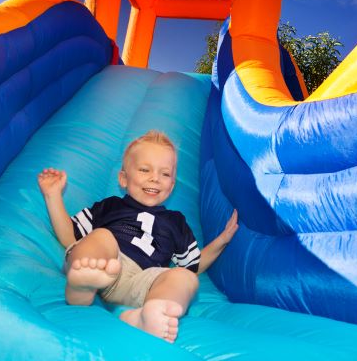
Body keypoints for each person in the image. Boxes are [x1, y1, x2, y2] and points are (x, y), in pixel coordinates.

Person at [38, 130, 238, 343]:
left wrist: (222, 241)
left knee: (184, 277)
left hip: (142, 281)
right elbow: (70, 236)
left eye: (165, 174)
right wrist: (53, 195)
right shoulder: (110, 206)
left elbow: (193, 265)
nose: (155, 178)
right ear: (123, 178)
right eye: (145, 170)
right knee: (102, 237)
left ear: (172, 185)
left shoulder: (176, 222)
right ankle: (82, 286)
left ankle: (150, 314)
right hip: (105, 261)